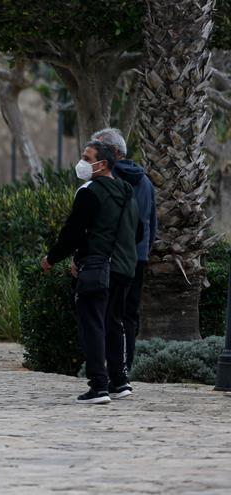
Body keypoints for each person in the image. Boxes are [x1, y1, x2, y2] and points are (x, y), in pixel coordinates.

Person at [41, 140, 141, 404]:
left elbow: (73, 232)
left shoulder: (91, 193)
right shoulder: (128, 192)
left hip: (97, 267)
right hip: (124, 269)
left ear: (103, 164)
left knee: (93, 325)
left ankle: (98, 386)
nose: (82, 162)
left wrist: (52, 257)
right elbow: (139, 232)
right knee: (114, 323)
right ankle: (119, 382)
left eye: (87, 158)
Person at [91, 128, 157, 372]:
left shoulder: (108, 180)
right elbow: (151, 222)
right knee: (129, 314)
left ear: (113, 152)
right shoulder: (147, 182)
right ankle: (126, 366)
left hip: (112, 256)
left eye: (97, 146)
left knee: (108, 313)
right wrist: (143, 252)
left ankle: (110, 366)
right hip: (137, 257)